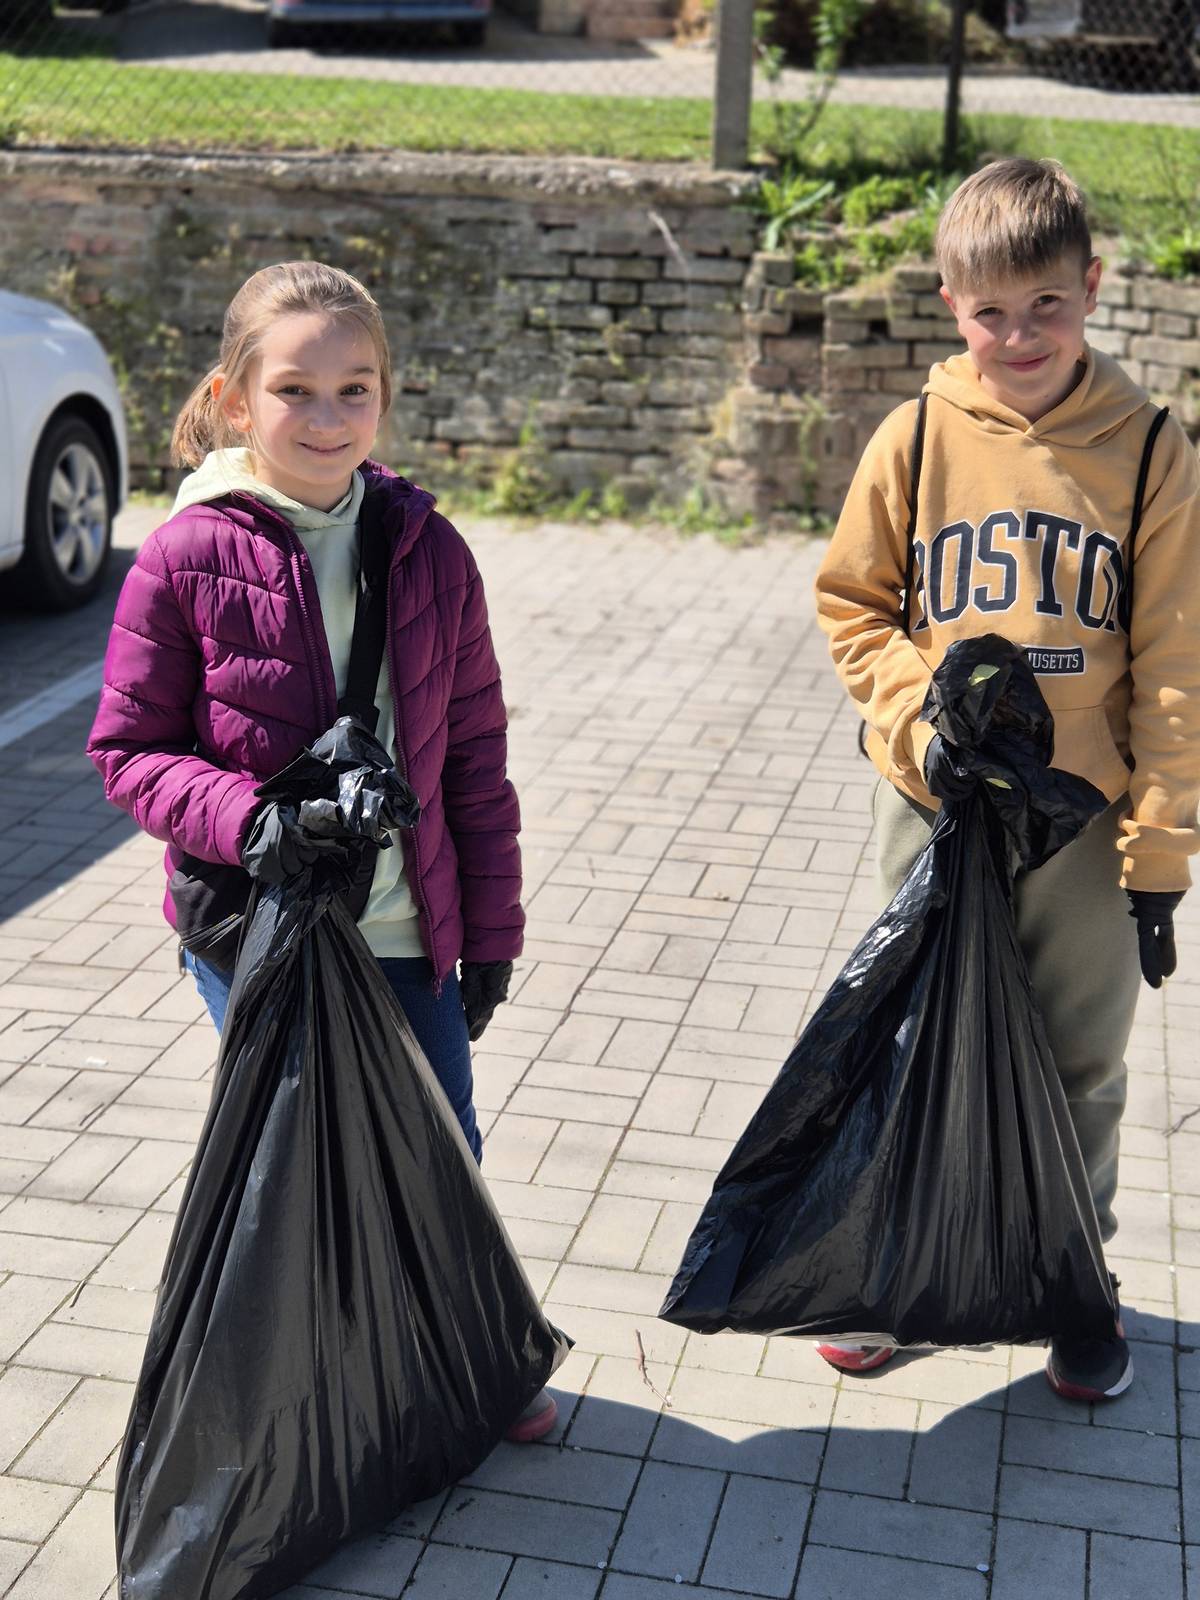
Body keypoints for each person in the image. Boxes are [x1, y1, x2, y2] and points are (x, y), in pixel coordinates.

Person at [87, 259, 556, 1443]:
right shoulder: (184, 555)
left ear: (386, 398)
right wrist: (254, 822)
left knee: (442, 1151)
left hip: (411, 925)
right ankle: (315, 1402)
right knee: (303, 1167)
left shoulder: (430, 549)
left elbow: (473, 764)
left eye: (357, 388)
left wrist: (490, 932)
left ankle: (468, 1364)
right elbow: (128, 751)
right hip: (261, 929)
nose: (329, 417)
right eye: (297, 389)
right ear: (236, 399)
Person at [813, 159, 1200, 1401]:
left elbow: (1178, 663)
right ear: (948, 300)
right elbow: (854, 605)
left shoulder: (1149, 451)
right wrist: (921, 726)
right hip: (935, 802)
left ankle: (1073, 1282)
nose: (1019, 335)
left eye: (1048, 304)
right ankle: (892, 1269)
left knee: (1081, 1061)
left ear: (1093, 287)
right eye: (991, 311)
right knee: (915, 1038)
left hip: (1082, 824)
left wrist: (1162, 854)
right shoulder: (916, 436)